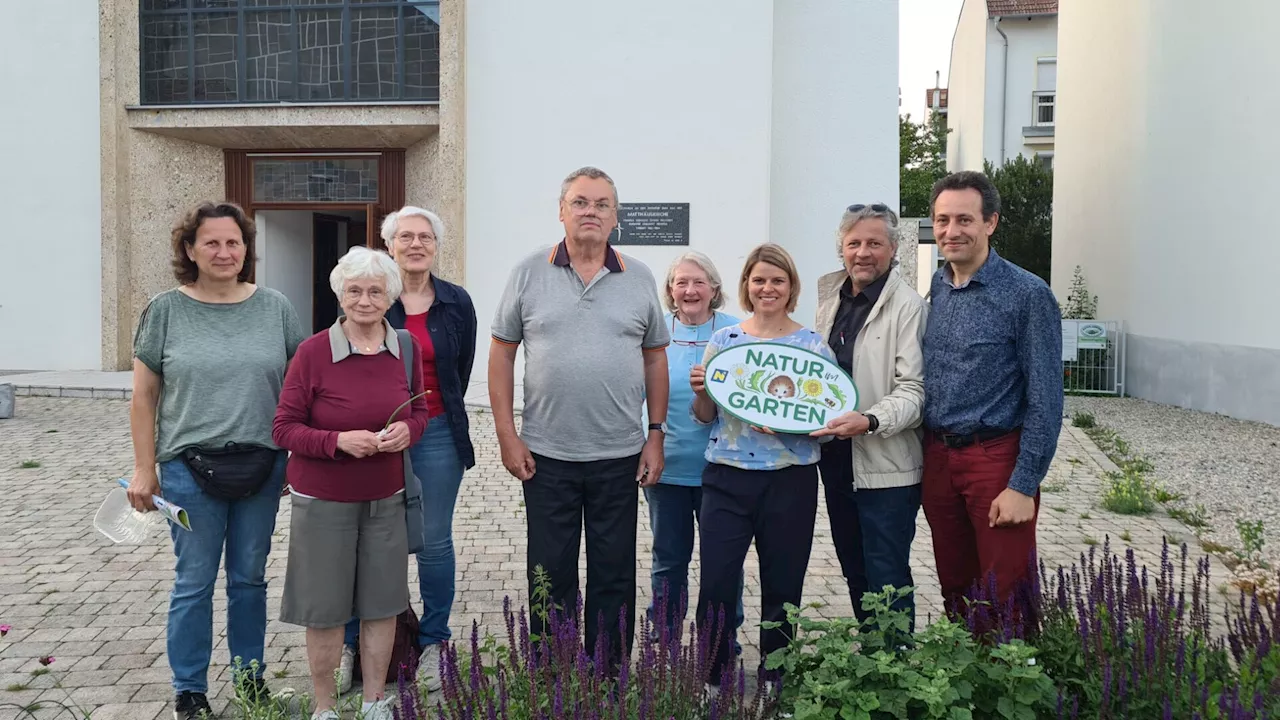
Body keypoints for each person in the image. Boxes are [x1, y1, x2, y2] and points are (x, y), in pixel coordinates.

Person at [127, 201, 304, 720]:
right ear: (190, 250)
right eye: (212, 243)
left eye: (234, 242)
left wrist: (295, 455)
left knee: (249, 579)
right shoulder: (165, 310)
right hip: (187, 469)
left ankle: (250, 681)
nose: (224, 252)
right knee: (194, 580)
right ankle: (190, 690)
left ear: (246, 249)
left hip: (264, 466)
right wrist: (145, 468)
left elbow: (299, 387)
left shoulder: (275, 308)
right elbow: (143, 397)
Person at [489, 166, 671, 671]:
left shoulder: (639, 277)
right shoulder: (528, 272)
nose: (590, 211)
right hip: (546, 455)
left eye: (601, 204)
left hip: (619, 454)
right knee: (550, 572)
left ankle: (608, 674)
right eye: (580, 202)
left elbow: (655, 356)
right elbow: (502, 353)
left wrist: (655, 435)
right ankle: (552, 673)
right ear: (561, 210)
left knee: (614, 573)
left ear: (616, 216)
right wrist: (507, 435)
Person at [272, 246, 430, 720]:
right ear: (340, 295)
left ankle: (374, 701)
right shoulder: (313, 352)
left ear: (390, 297)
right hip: (324, 502)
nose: (365, 300)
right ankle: (324, 708)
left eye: (375, 291)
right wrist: (337, 440)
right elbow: (283, 427)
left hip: (386, 499)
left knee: (383, 604)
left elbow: (421, 411)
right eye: (355, 290)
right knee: (325, 609)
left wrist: (409, 431)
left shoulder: (405, 348)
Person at [336, 207, 477, 695]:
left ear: (436, 246)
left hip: (436, 434)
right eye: (405, 237)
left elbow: (459, 369)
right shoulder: (371, 295)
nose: (415, 244)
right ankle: (355, 642)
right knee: (368, 539)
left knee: (434, 541)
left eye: (425, 237)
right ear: (389, 245)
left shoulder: (456, 302)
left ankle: (435, 641)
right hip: (373, 439)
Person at [921, 171, 1063, 620]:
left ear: (991, 223)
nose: (951, 231)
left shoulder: (1027, 295)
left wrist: (1022, 484)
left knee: (1007, 589)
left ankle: (1013, 681)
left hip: (995, 459)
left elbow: (1046, 397)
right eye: (942, 220)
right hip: (939, 459)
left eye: (965, 219)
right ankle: (964, 680)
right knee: (956, 583)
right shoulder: (939, 289)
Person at [690, 243, 833, 689]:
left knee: (784, 582)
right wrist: (701, 391)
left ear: (791, 287)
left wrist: (793, 429)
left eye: (777, 280)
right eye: (759, 280)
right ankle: (712, 677)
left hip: (789, 480)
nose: (767, 288)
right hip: (726, 476)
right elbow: (704, 417)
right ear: (746, 287)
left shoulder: (811, 345)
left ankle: (777, 675)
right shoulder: (725, 341)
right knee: (715, 582)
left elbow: (828, 423)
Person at [812, 203, 927, 628]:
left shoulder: (908, 307)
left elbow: (915, 390)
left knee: (887, 574)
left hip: (886, 466)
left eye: (874, 243)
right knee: (854, 568)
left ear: (893, 249)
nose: (863, 252)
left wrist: (871, 420)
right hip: (837, 460)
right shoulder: (830, 301)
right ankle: (871, 662)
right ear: (841, 248)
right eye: (854, 243)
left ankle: (894, 671)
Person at [647, 252, 745, 647]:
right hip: (666, 467)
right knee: (669, 559)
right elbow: (638, 395)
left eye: (698, 282)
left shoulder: (737, 331)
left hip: (723, 467)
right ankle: (666, 633)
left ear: (715, 289)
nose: (689, 290)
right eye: (681, 282)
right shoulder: (654, 334)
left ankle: (723, 636)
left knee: (723, 561)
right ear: (670, 291)